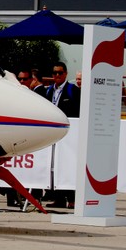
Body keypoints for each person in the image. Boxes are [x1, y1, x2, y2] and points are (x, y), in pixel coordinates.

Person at [43, 61, 80, 209]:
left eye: (60, 73)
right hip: (54, 134)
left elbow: (79, 111)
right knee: (54, 166)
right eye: (54, 73)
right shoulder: (49, 91)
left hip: (70, 134)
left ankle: (72, 199)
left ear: (65, 74)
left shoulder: (73, 90)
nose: (57, 75)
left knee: (68, 166)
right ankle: (58, 198)